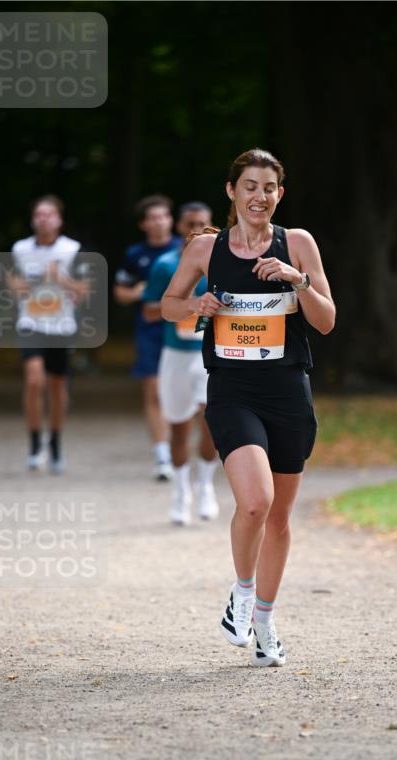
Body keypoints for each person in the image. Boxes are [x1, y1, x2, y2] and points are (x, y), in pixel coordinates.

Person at [161, 149, 335, 667]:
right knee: (255, 502)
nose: (260, 196)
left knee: (279, 518)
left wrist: (295, 279)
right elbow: (169, 305)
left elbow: (325, 321)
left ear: (280, 194)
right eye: (250, 186)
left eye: (270, 188)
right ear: (231, 192)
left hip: (287, 391)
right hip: (233, 389)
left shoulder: (298, 244)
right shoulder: (203, 248)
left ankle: (264, 621)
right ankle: (241, 591)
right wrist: (196, 305)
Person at [142, 202, 219, 524]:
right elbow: (149, 311)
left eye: (203, 223)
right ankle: (181, 490)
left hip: (210, 356)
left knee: (212, 423)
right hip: (175, 355)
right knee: (178, 429)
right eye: (191, 224)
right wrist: (187, 306)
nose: (197, 230)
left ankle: (205, 486)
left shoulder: (224, 263)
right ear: (179, 227)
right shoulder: (165, 265)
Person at [10, 196, 86, 473]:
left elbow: (84, 291)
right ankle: (34, 442)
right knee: (34, 381)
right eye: (39, 214)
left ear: (59, 220)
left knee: (56, 388)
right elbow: (12, 286)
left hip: (61, 326)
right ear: (33, 219)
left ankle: (54, 441)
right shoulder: (19, 249)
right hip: (31, 323)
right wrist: (25, 284)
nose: (43, 219)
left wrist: (60, 279)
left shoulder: (73, 250)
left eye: (49, 214)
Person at [114, 195, 181, 480]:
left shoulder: (186, 249)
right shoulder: (135, 254)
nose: (158, 222)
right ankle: (162, 456)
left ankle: (185, 450)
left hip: (182, 329)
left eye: (163, 216)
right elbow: (121, 292)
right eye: (152, 218)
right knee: (154, 392)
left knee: (185, 394)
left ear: (171, 220)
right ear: (143, 224)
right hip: (150, 330)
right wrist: (142, 292)